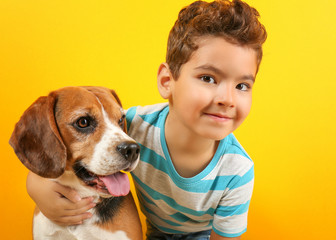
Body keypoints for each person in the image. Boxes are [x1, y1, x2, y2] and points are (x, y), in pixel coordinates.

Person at [26, 0, 267, 239]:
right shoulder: (134, 126)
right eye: (207, 78)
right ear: (166, 81)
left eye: (242, 85)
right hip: (157, 233)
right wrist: (38, 189)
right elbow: (42, 150)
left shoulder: (238, 171)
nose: (227, 99)